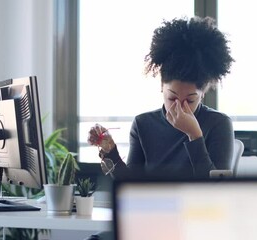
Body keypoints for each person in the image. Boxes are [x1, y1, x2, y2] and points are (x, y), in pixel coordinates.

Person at [88, 16, 235, 179]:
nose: (179, 107)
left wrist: (195, 136)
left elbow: (219, 190)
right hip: (155, 204)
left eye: (190, 100)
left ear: (203, 94)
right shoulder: (143, 124)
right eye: (172, 98)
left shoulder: (218, 124)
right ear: (161, 87)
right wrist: (111, 152)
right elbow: (131, 185)